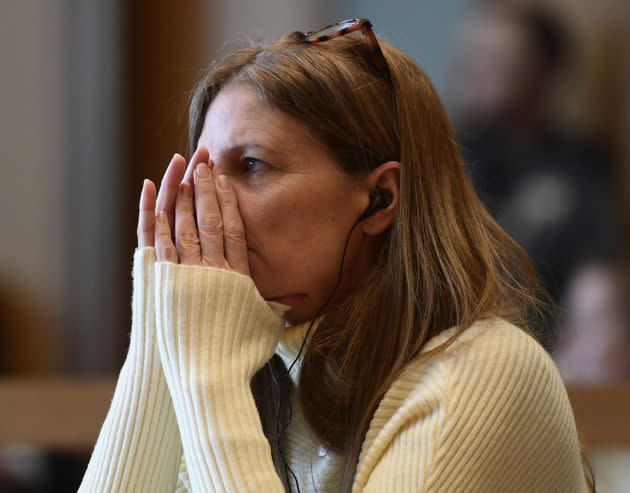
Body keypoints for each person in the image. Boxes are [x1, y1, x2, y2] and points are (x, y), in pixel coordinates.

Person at [78, 18, 594, 492]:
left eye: (252, 165)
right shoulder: (261, 373)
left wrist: (206, 378)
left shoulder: (485, 373)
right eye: (203, 172)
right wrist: (157, 333)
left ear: (380, 200)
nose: (204, 204)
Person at [446, 4, 620, 352]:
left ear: (541, 74)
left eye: (495, 59)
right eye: (471, 56)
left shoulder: (576, 168)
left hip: (542, 357)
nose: (474, 70)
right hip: (445, 349)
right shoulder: (441, 155)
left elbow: (594, 282)